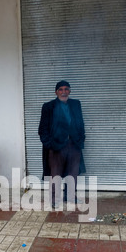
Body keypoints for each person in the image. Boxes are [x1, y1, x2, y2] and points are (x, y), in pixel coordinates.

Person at [38, 80, 86, 208]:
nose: (63, 92)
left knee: (73, 172)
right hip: (56, 146)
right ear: (56, 92)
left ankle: (70, 196)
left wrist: (81, 139)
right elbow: (42, 129)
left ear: (69, 91)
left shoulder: (76, 104)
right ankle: (55, 199)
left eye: (66, 89)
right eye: (60, 89)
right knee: (56, 174)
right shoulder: (48, 106)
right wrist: (50, 144)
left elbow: (81, 123)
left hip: (74, 144)